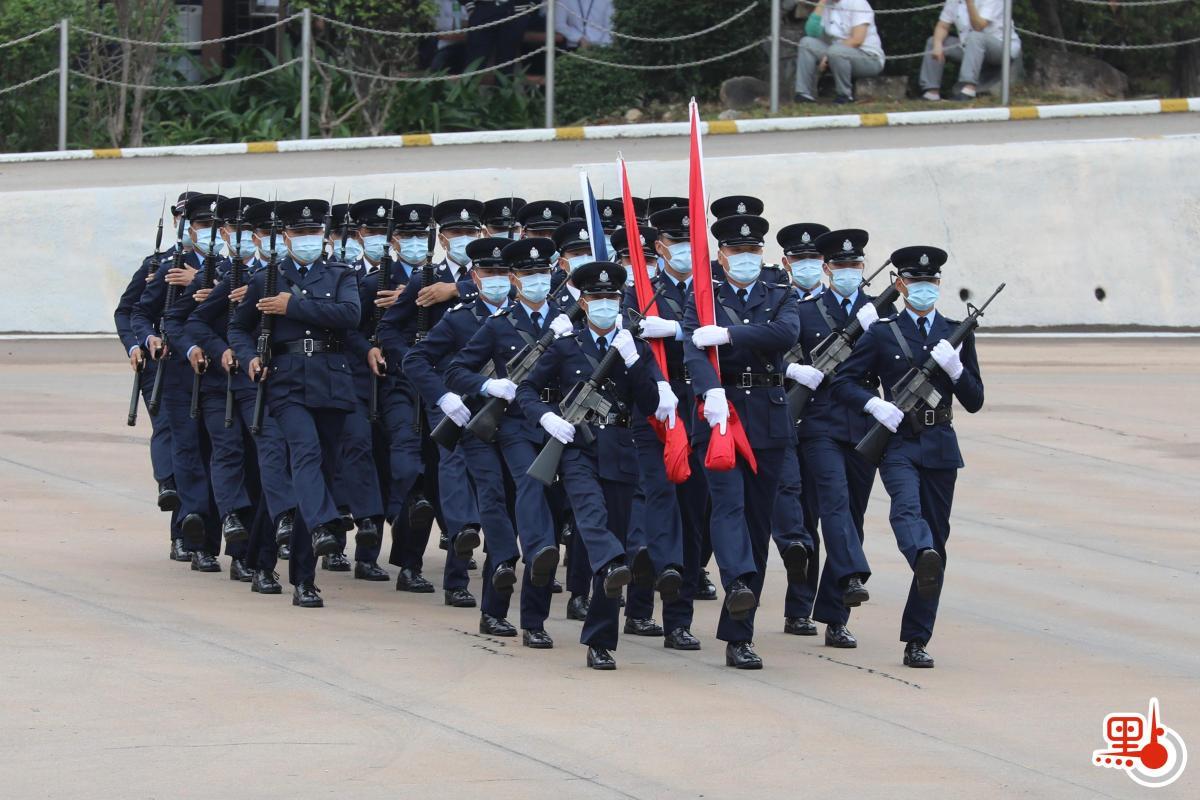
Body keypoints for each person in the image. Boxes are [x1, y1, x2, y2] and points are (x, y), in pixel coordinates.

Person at [831, 245, 984, 668]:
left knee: (939, 541)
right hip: (897, 441)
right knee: (906, 510)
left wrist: (955, 370)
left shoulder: (955, 332)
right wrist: (873, 404)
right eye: (915, 282)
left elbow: (975, 399)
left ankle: (917, 638)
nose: (923, 288)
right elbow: (844, 381)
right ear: (899, 284)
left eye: (930, 282)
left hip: (941, 442)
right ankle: (919, 553)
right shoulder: (882, 332)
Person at [516, 261, 664, 670]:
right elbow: (526, 389)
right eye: (597, 298)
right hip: (577, 447)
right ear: (583, 301)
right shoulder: (566, 346)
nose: (604, 304)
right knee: (592, 519)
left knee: (608, 536)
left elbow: (652, 405)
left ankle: (600, 640)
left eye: (612, 298)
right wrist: (547, 418)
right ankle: (537, 617)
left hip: (620, 449)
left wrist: (635, 364)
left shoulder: (633, 349)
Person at [227, 199, 362, 609]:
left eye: (313, 234)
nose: (307, 240)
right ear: (284, 237)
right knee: (304, 453)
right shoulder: (267, 278)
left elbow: (350, 315)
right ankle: (316, 548)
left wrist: (292, 306)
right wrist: (249, 357)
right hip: (284, 382)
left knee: (317, 473)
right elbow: (238, 327)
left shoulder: (340, 274)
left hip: (332, 382)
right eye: (299, 234)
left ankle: (263, 562)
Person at [682, 213, 802, 670]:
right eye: (736, 251)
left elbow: (784, 334)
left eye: (753, 251)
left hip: (768, 416)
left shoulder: (780, 293)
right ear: (721, 254)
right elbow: (694, 346)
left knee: (757, 520)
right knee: (728, 503)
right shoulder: (703, 296)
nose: (746, 258)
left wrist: (730, 334)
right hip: (722, 412)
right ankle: (736, 582)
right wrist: (708, 389)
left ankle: (740, 636)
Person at [444, 237, 569, 646]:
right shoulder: (498, 325)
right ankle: (530, 561)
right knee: (531, 487)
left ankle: (533, 620)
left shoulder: (569, 321)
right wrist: (488, 384)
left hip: (560, 423)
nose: (536, 280)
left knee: (550, 506)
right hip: (515, 425)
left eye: (542, 273)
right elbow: (456, 370)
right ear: (515, 279)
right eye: (528, 274)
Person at [182, 197, 297, 594]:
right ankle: (228, 523)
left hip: (274, 385)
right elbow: (192, 322)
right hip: (224, 386)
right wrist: (219, 351)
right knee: (229, 451)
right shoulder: (227, 278)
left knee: (264, 463)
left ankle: (256, 550)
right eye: (257, 233)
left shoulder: (293, 279)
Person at [788, 228, 895, 648]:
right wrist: (795, 371)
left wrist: (877, 332)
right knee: (828, 503)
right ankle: (841, 580)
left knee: (852, 514)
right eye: (841, 265)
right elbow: (784, 353)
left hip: (863, 423)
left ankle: (835, 615)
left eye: (856, 265)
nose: (849, 271)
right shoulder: (807, 310)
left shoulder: (879, 315)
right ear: (828, 269)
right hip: (817, 422)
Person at [132, 193, 222, 571]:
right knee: (185, 451)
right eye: (200, 225)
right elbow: (139, 311)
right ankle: (188, 536)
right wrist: (144, 339)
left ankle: (209, 539)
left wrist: (203, 280)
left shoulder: (232, 267)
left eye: (212, 226)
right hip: (177, 370)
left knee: (216, 454)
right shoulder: (166, 266)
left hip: (219, 370)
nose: (206, 233)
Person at [115, 191, 192, 558]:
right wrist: (137, 345)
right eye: (187, 218)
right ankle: (170, 491)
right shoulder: (156, 264)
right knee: (169, 430)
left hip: (202, 362)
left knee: (197, 446)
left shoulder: (224, 267)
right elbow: (128, 311)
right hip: (161, 361)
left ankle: (192, 529)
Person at [773, 222, 830, 636]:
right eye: (799, 259)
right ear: (785, 262)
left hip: (823, 424)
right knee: (788, 512)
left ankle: (803, 607)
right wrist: (789, 368)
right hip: (777, 417)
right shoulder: (774, 299)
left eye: (814, 259)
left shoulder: (841, 309)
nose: (807, 265)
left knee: (813, 519)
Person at [920, 0, 1020, 101]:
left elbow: (978, 26)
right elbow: (943, 26)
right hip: (969, 46)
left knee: (976, 37)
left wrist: (969, 3)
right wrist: (937, 45)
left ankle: (968, 89)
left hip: (1002, 47)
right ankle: (932, 93)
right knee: (933, 41)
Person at [794, 0, 885, 105]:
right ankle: (803, 94)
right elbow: (811, 32)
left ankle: (845, 95)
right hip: (836, 53)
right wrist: (822, 3)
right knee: (806, 43)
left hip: (868, 58)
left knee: (836, 51)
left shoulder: (857, 2)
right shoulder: (827, 5)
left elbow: (857, 40)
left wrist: (829, 54)